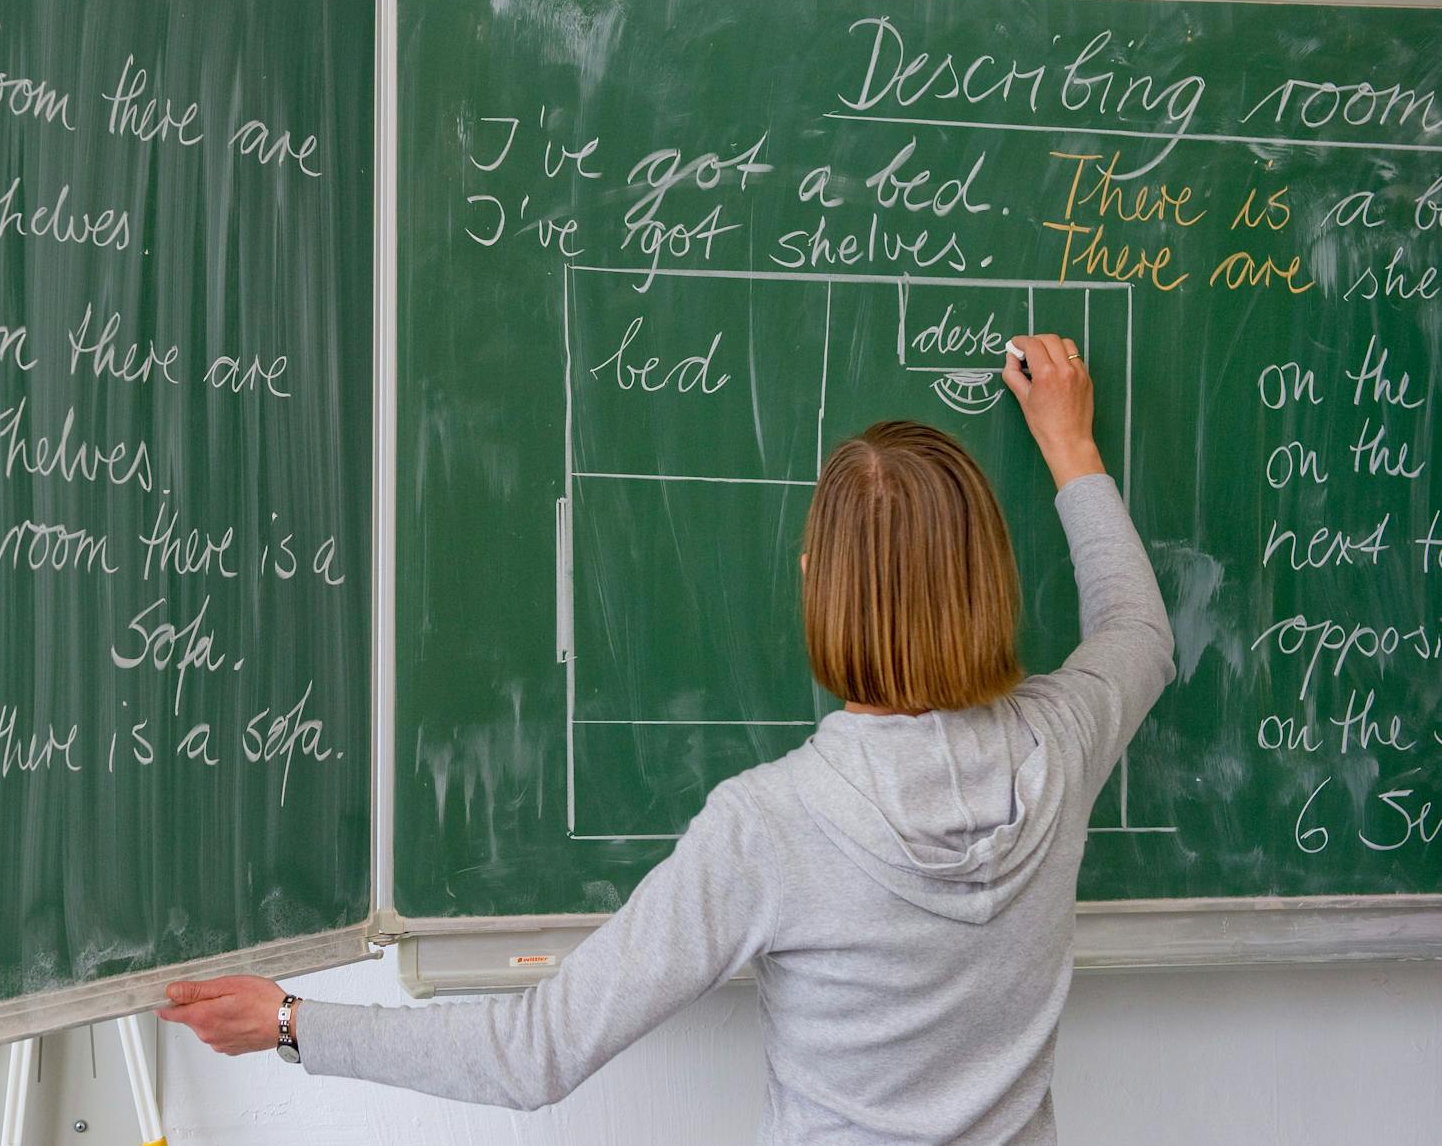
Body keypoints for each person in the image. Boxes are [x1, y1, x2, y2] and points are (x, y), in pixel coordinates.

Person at [160, 332, 1177, 1144]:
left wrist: (292, 1022)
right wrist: (1069, 444)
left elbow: (536, 1053)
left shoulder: (771, 825)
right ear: (987, 579)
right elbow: (1137, 630)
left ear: (812, 577)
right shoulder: (1060, 742)